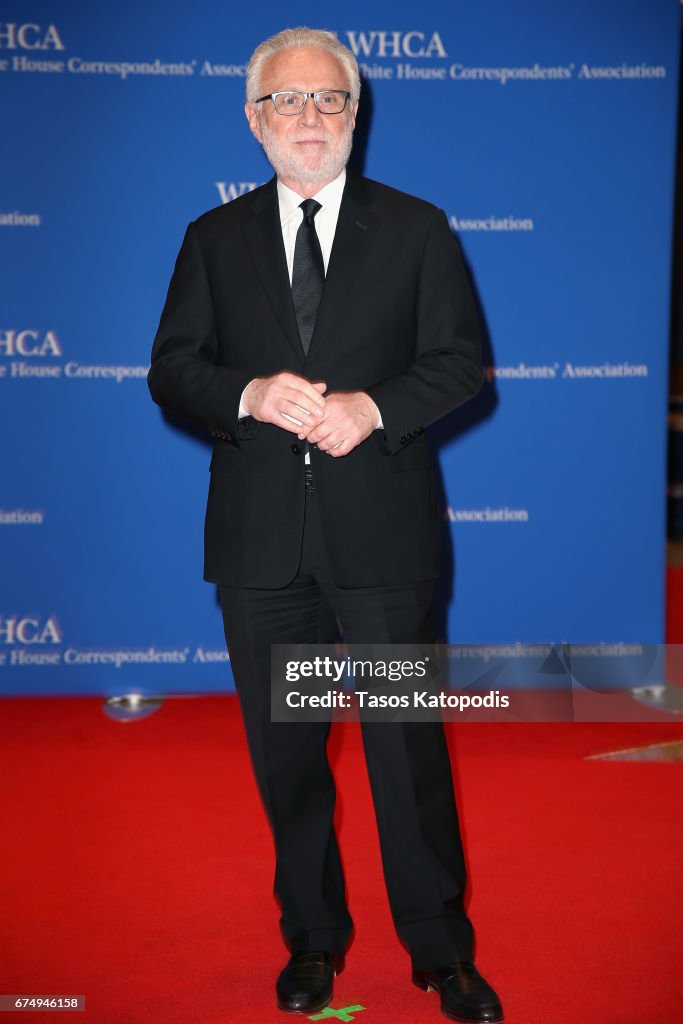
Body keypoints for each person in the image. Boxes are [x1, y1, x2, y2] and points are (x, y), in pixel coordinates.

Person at [148, 26, 503, 1024]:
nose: (309, 117)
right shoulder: (210, 240)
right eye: (287, 102)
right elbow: (172, 369)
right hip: (264, 547)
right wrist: (249, 390)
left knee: (404, 746)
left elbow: (455, 362)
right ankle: (311, 938)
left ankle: (441, 952)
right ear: (254, 122)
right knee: (287, 752)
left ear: (356, 115)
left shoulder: (417, 228)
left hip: (381, 540)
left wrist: (373, 408)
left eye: (328, 100)